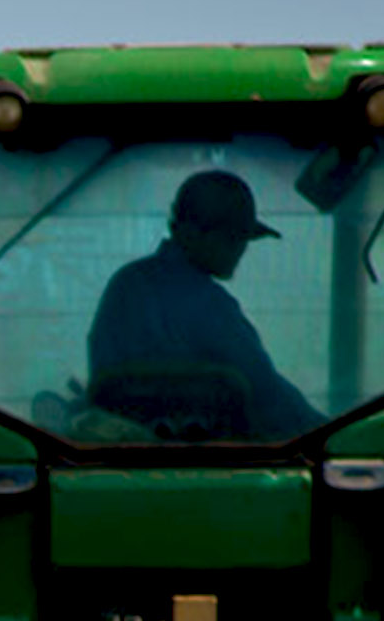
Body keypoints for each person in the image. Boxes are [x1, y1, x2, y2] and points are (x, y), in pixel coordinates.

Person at [86, 170, 319, 437]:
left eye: (242, 238)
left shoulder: (123, 286)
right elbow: (267, 395)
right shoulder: (211, 305)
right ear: (189, 231)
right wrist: (323, 432)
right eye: (230, 237)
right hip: (219, 467)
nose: (240, 249)